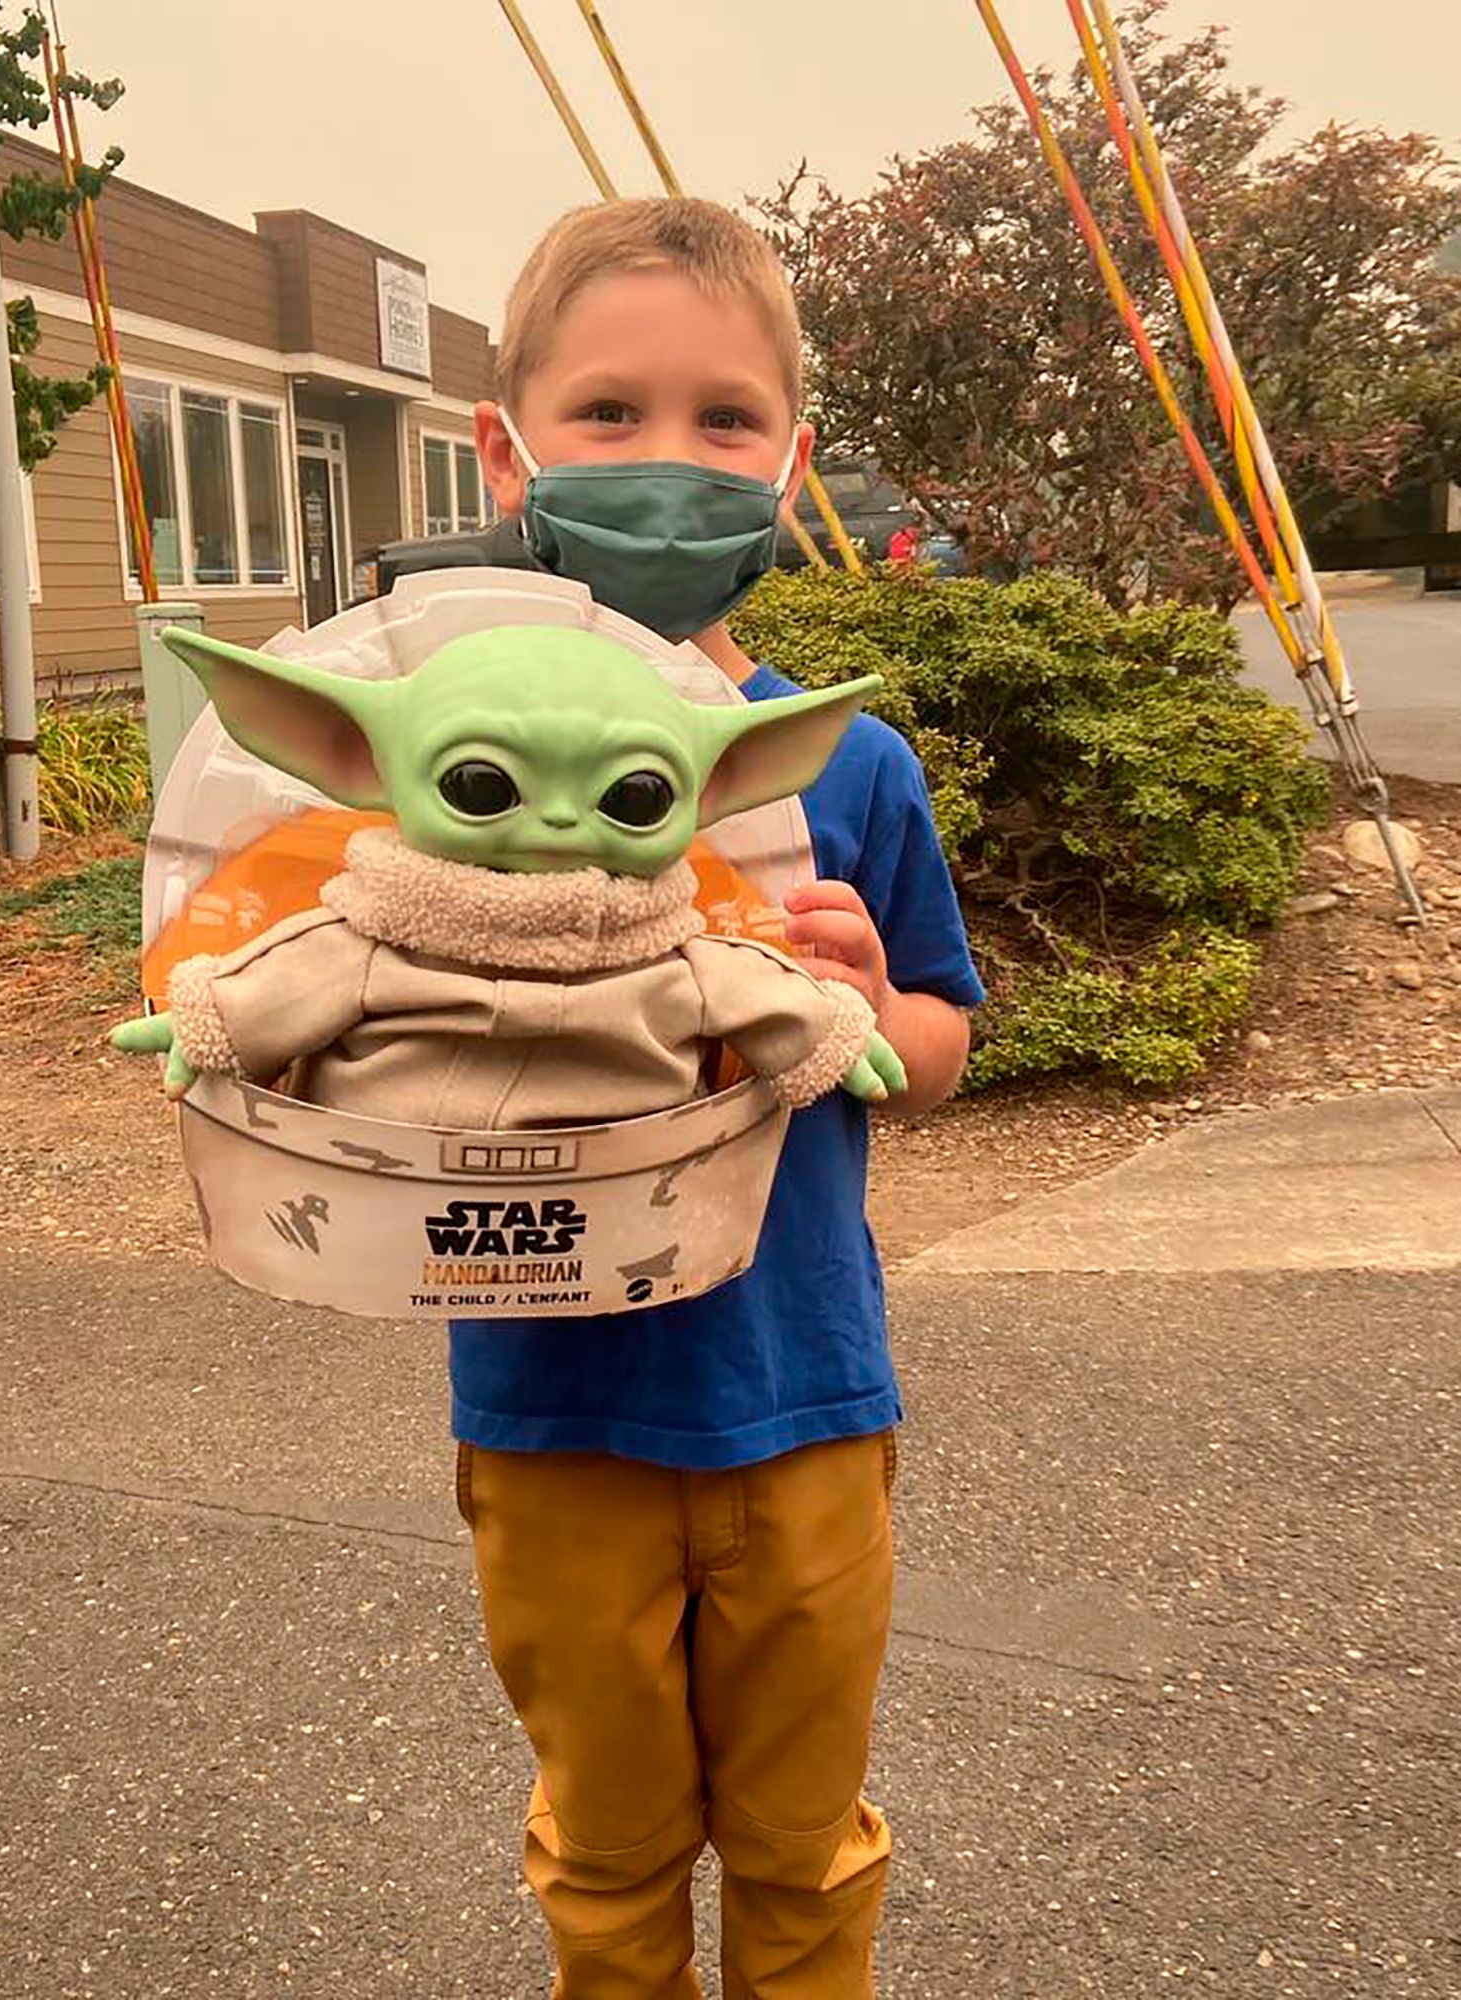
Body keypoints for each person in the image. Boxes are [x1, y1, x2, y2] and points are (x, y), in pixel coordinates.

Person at [456, 196, 986, 1998]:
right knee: (602, 1861)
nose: (667, 461)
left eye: (723, 421)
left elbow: (936, 1048)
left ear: (789, 463)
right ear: (504, 443)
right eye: (607, 414)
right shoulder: (425, 766)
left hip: (807, 1397)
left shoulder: (848, 764)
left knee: (802, 1846)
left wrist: (857, 1006)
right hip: (551, 1405)